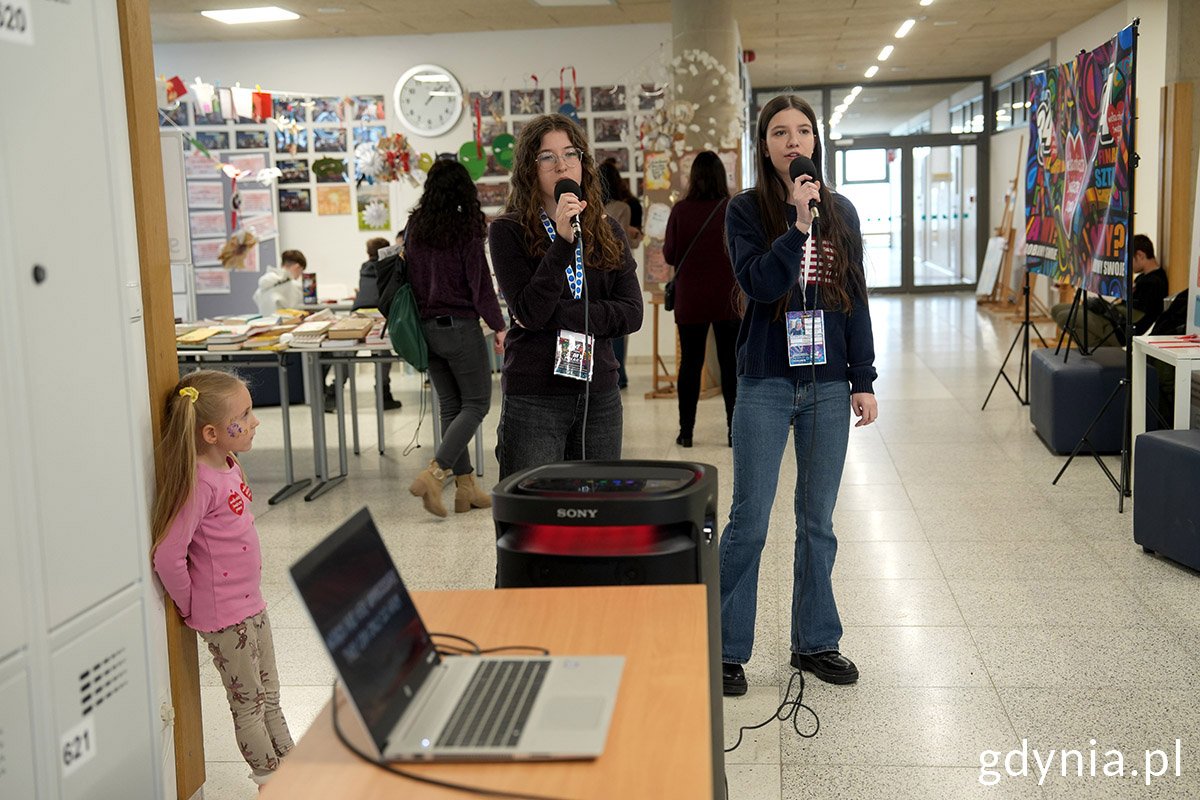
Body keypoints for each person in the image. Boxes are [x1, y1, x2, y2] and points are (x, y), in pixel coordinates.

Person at [718, 95, 878, 696]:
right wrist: (796, 226)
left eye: (803, 131)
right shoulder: (745, 211)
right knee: (750, 521)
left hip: (827, 384)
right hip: (764, 380)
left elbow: (854, 295)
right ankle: (725, 648)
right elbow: (760, 284)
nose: (793, 142)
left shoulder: (842, 211)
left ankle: (815, 641)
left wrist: (862, 377)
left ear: (815, 142)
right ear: (764, 147)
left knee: (817, 522)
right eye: (780, 133)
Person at [150, 370, 293, 788]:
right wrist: (191, 606)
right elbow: (168, 555)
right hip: (224, 617)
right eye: (243, 416)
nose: (254, 421)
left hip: (252, 604)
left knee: (270, 693)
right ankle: (270, 779)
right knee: (248, 703)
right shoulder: (198, 483)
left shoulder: (230, 465)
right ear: (211, 433)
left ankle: (292, 766)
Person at [488, 114, 643, 479]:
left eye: (570, 154)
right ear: (530, 168)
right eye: (547, 157)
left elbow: (632, 313)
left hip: (599, 394)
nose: (561, 165)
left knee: (596, 507)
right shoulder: (508, 230)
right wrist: (562, 241)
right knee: (533, 507)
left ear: (583, 163)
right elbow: (529, 311)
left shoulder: (608, 229)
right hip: (535, 396)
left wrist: (557, 315)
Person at [404, 160, 507, 517]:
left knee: (451, 406)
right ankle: (434, 474)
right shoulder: (465, 229)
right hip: (459, 328)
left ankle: (466, 489)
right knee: (476, 404)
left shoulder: (415, 226)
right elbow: (480, 286)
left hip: (425, 329)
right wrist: (499, 325)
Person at [663, 150, 739, 447]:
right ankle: (733, 431)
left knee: (690, 364)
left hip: (690, 300)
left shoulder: (680, 210)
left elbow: (670, 254)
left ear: (693, 177)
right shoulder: (731, 208)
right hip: (726, 299)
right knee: (730, 364)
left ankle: (686, 432)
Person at [1051, 234, 1168, 347]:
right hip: (1114, 318)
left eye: (1129, 259)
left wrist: (1106, 308)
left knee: (1065, 317)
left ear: (1140, 255)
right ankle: (1099, 348)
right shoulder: (1143, 277)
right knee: (1056, 309)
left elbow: (1135, 316)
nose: (1127, 264)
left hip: (1118, 328)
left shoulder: (1154, 283)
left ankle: (1102, 351)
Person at [599, 159, 642, 389]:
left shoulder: (590, 206)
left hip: (594, 270)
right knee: (618, 324)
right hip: (616, 270)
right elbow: (625, 241)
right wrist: (637, 235)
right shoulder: (623, 208)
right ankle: (619, 375)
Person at [354, 236, 402, 410]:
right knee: (383, 353)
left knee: (347, 350)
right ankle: (383, 394)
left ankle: (333, 391)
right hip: (378, 313)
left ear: (368, 253)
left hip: (358, 313)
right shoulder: (388, 266)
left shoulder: (363, 267)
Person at [253, 249, 306, 317]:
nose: (299, 275)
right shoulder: (294, 286)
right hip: (287, 322)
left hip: (264, 321)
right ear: (297, 267)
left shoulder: (265, 284)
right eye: (301, 271)